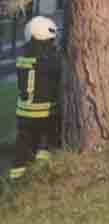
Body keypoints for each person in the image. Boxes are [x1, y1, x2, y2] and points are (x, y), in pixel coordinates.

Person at [9, 16, 60, 181]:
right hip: (45, 114)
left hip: (23, 114)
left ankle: (16, 177)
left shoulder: (22, 58)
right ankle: (42, 176)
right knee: (45, 144)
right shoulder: (51, 59)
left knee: (23, 145)